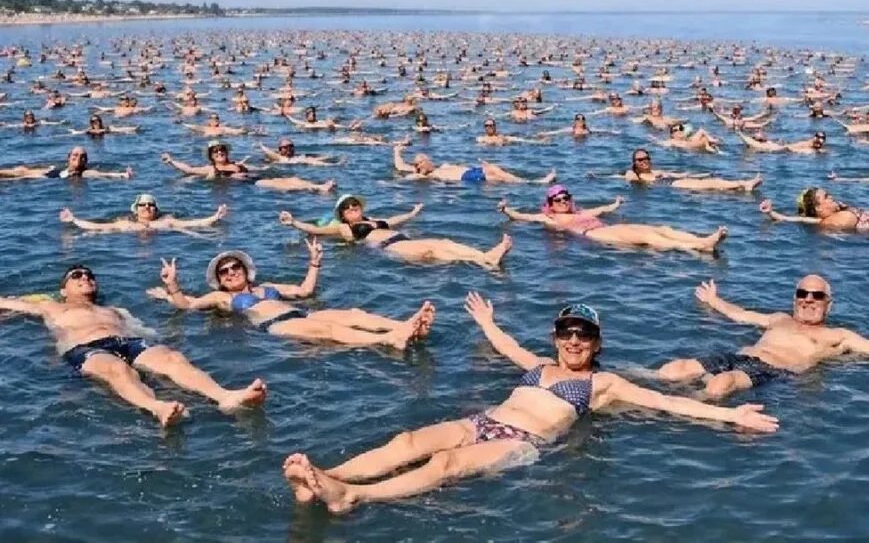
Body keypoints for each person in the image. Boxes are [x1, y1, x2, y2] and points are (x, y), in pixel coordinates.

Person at [281, 292, 778, 514]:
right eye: (567, 333)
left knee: (446, 463)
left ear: (598, 343)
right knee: (406, 440)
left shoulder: (605, 385)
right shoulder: (540, 365)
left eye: (584, 335)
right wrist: (487, 323)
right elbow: (507, 347)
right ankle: (327, 476)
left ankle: (354, 497)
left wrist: (730, 414)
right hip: (483, 421)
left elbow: (671, 405)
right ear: (556, 337)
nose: (575, 342)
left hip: (523, 442)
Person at [0, 265, 266, 427]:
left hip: (127, 341)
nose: (86, 278)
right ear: (63, 289)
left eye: (90, 275)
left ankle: (225, 397)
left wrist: (171, 329)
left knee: (172, 358)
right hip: (85, 349)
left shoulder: (115, 309)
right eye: (77, 275)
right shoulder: (49, 306)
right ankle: (158, 408)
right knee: (118, 370)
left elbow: (145, 331)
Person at [656, 276, 869, 399]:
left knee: (720, 384)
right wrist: (714, 301)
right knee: (675, 369)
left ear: (828, 305)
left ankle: (678, 413)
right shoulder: (779, 318)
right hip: (739, 354)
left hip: (774, 373)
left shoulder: (838, 336)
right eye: (802, 293)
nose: (808, 299)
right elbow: (740, 314)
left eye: (816, 296)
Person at [151, 241, 434, 348]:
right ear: (220, 280)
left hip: (301, 312)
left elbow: (304, 290)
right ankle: (387, 340)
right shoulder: (220, 298)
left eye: (234, 267)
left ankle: (405, 326)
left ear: (244, 269)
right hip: (276, 325)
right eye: (224, 272)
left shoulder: (268, 286)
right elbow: (187, 305)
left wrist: (314, 263)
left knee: (352, 314)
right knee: (329, 331)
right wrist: (172, 286)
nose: (230, 273)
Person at [279, 194, 513, 270]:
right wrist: (294, 223)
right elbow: (316, 230)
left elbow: (393, 220)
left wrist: (413, 213)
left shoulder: (372, 219)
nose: (352, 208)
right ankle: (486, 259)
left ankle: (484, 259)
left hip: (401, 239)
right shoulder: (343, 228)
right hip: (388, 248)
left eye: (355, 204)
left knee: (443, 241)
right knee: (432, 250)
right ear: (341, 213)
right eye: (347, 207)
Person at [498, 184, 728, 253]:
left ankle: (701, 241)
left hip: (607, 228)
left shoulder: (578, 212)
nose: (563, 202)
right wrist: (507, 211)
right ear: (550, 204)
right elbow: (522, 217)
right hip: (594, 235)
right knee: (647, 237)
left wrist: (615, 204)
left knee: (661, 227)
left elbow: (601, 210)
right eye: (558, 200)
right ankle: (697, 247)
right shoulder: (549, 218)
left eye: (566, 198)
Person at [161, 142, 336, 193]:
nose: (220, 153)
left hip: (255, 178)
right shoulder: (211, 170)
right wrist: (171, 161)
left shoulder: (238, 164)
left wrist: (268, 165)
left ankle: (319, 187)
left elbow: (257, 169)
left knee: (292, 179)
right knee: (284, 185)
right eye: (216, 152)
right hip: (249, 187)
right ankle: (317, 189)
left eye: (222, 151)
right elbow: (189, 169)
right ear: (211, 156)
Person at [59, 193, 228, 233]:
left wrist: (215, 217)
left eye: (150, 205)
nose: (147, 207)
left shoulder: (167, 222)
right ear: (136, 208)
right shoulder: (125, 224)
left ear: (156, 209)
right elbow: (97, 227)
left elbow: (193, 224)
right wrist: (74, 220)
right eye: (143, 205)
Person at [393, 145, 555, 184]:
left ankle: (529, 182)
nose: (418, 166)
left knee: (495, 172)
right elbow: (401, 168)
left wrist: (398, 151)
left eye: (420, 162)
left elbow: (401, 165)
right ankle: (533, 183)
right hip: (467, 178)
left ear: (429, 161)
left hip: (473, 172)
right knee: (495, 172)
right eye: (416, 164)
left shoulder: (441, 166)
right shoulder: (422, 175)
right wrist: (396, 153)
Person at [624, 148, 761, 192]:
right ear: (634, 163)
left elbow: (682, 174)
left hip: (675, 180)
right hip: (668, 185)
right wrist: (632, 174)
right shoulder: (634, 174)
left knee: (711, 181)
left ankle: (742, 185)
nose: (644, 161)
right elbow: (629, 178)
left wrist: (701, 174)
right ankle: (743, 184)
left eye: (646, 158)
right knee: (706, 186)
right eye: (640, 160)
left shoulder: (657, 171)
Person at [0, 146, 132, 180]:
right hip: (57, 174)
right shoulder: (60, 167)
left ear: (86, 161)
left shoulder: (85, 173)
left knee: (22, 178)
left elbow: (104, 174)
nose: (78, 158)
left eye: (82, 156)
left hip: (57, 180)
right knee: (22, 170)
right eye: (75, 155)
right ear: (68, 157)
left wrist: (122, 175)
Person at [259, 138, 342, 166]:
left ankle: (333, 165)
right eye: (285, 147)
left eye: (291, 146)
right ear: (280, 150)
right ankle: (334, 165)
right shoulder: (279, 159)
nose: (288, 148)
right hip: (287, 164)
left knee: (309, 160)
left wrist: (329, 157)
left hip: (299, 162)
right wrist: (260, 145)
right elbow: (267, 151)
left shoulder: (299, 156)